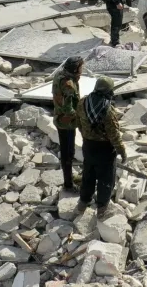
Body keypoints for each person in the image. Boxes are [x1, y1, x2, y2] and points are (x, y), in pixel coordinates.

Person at [75, 76, 126, 216]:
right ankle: (102, 207)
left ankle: (83, 202)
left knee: (88, 174)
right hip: (105, 149)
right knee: (106, 178)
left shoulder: (82, 102)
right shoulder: (108, 110)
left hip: (88, 145)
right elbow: (114, 134)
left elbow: (78, 122)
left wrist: (86, 134)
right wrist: (122, 151)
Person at [51, 56, 83, 191]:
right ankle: (68, 183)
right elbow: (68, 108)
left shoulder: (60, 74)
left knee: (66, 151)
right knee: (68, 153)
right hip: (66, 123)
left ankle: (68, 179)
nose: (82, 70)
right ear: (75, 69)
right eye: (81, 67)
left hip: (59, 118)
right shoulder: (68, 84)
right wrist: (80, 116)